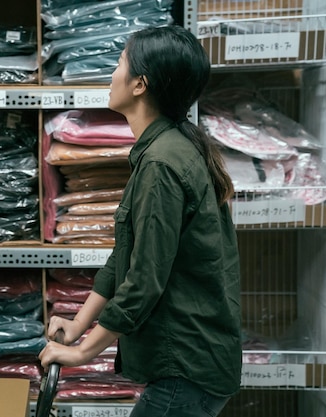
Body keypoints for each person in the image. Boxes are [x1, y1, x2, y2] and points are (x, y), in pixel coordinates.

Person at [38, 24, 242, 417]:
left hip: (185, 370)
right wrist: (79, 323)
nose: (112, 73)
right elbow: (127, 256)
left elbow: (145, 279)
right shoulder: (168, 149)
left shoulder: (163, 164)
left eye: (119, 63)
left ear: (139, 85)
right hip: (191, 365)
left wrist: (83, 351)